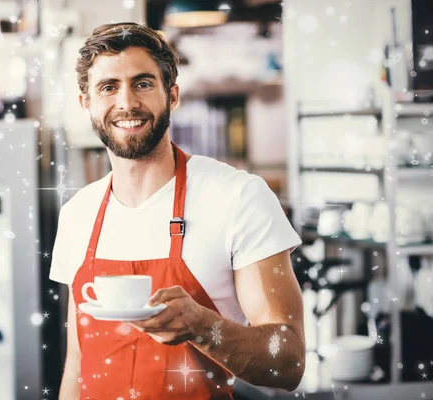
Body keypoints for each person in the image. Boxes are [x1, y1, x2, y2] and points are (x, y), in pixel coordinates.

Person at [49, 22, 305, 400]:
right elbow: (77, 365)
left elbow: (288, 361)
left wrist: (204, 327)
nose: (127, 103)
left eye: (143, 83)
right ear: (86, 102)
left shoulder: (238, 197)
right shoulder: (77, 214)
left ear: (172, 95)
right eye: (108, 87)